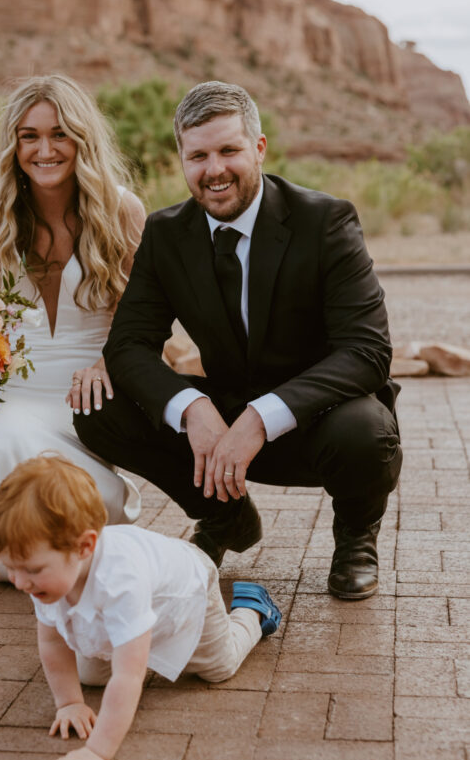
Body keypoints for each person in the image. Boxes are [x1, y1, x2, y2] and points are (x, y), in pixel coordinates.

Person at [75, 80, 403, 600]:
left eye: (229, 150)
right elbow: (129, 345)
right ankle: (224, 516)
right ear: (181, 160)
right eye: (198, 155)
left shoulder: (325, 221)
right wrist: (192, 409)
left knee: (368, 429)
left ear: (259, 148)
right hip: (220, 422)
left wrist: (261, 416)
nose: (214, 170)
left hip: (321, 422)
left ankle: (355, 538)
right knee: (100, 408)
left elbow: (367, 352)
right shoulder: (165, 234)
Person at [0, 453, 281, 760]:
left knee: (218, 667)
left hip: (188, 592)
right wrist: (68, 703)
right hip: (137, 601)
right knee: (90, 676)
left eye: (32, 570)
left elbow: (129, 677)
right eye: (12, 567)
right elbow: (51, 641)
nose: (20, 583)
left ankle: (253, 611)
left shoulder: (121, 581)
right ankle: (131, 640)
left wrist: (97, 752)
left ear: (84, 547)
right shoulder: (46, 579)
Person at [0, 73, 146, 580]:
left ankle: (41, 541)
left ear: (82, 138)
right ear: (13, 144)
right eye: (30, 135)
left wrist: (108, 364)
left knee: (64, 477)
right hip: (11, 392)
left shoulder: (122, 213)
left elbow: (142, 321)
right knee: (2, 440)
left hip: (87, 400)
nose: (45, 149)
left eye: (59, 133)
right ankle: (36, 548)